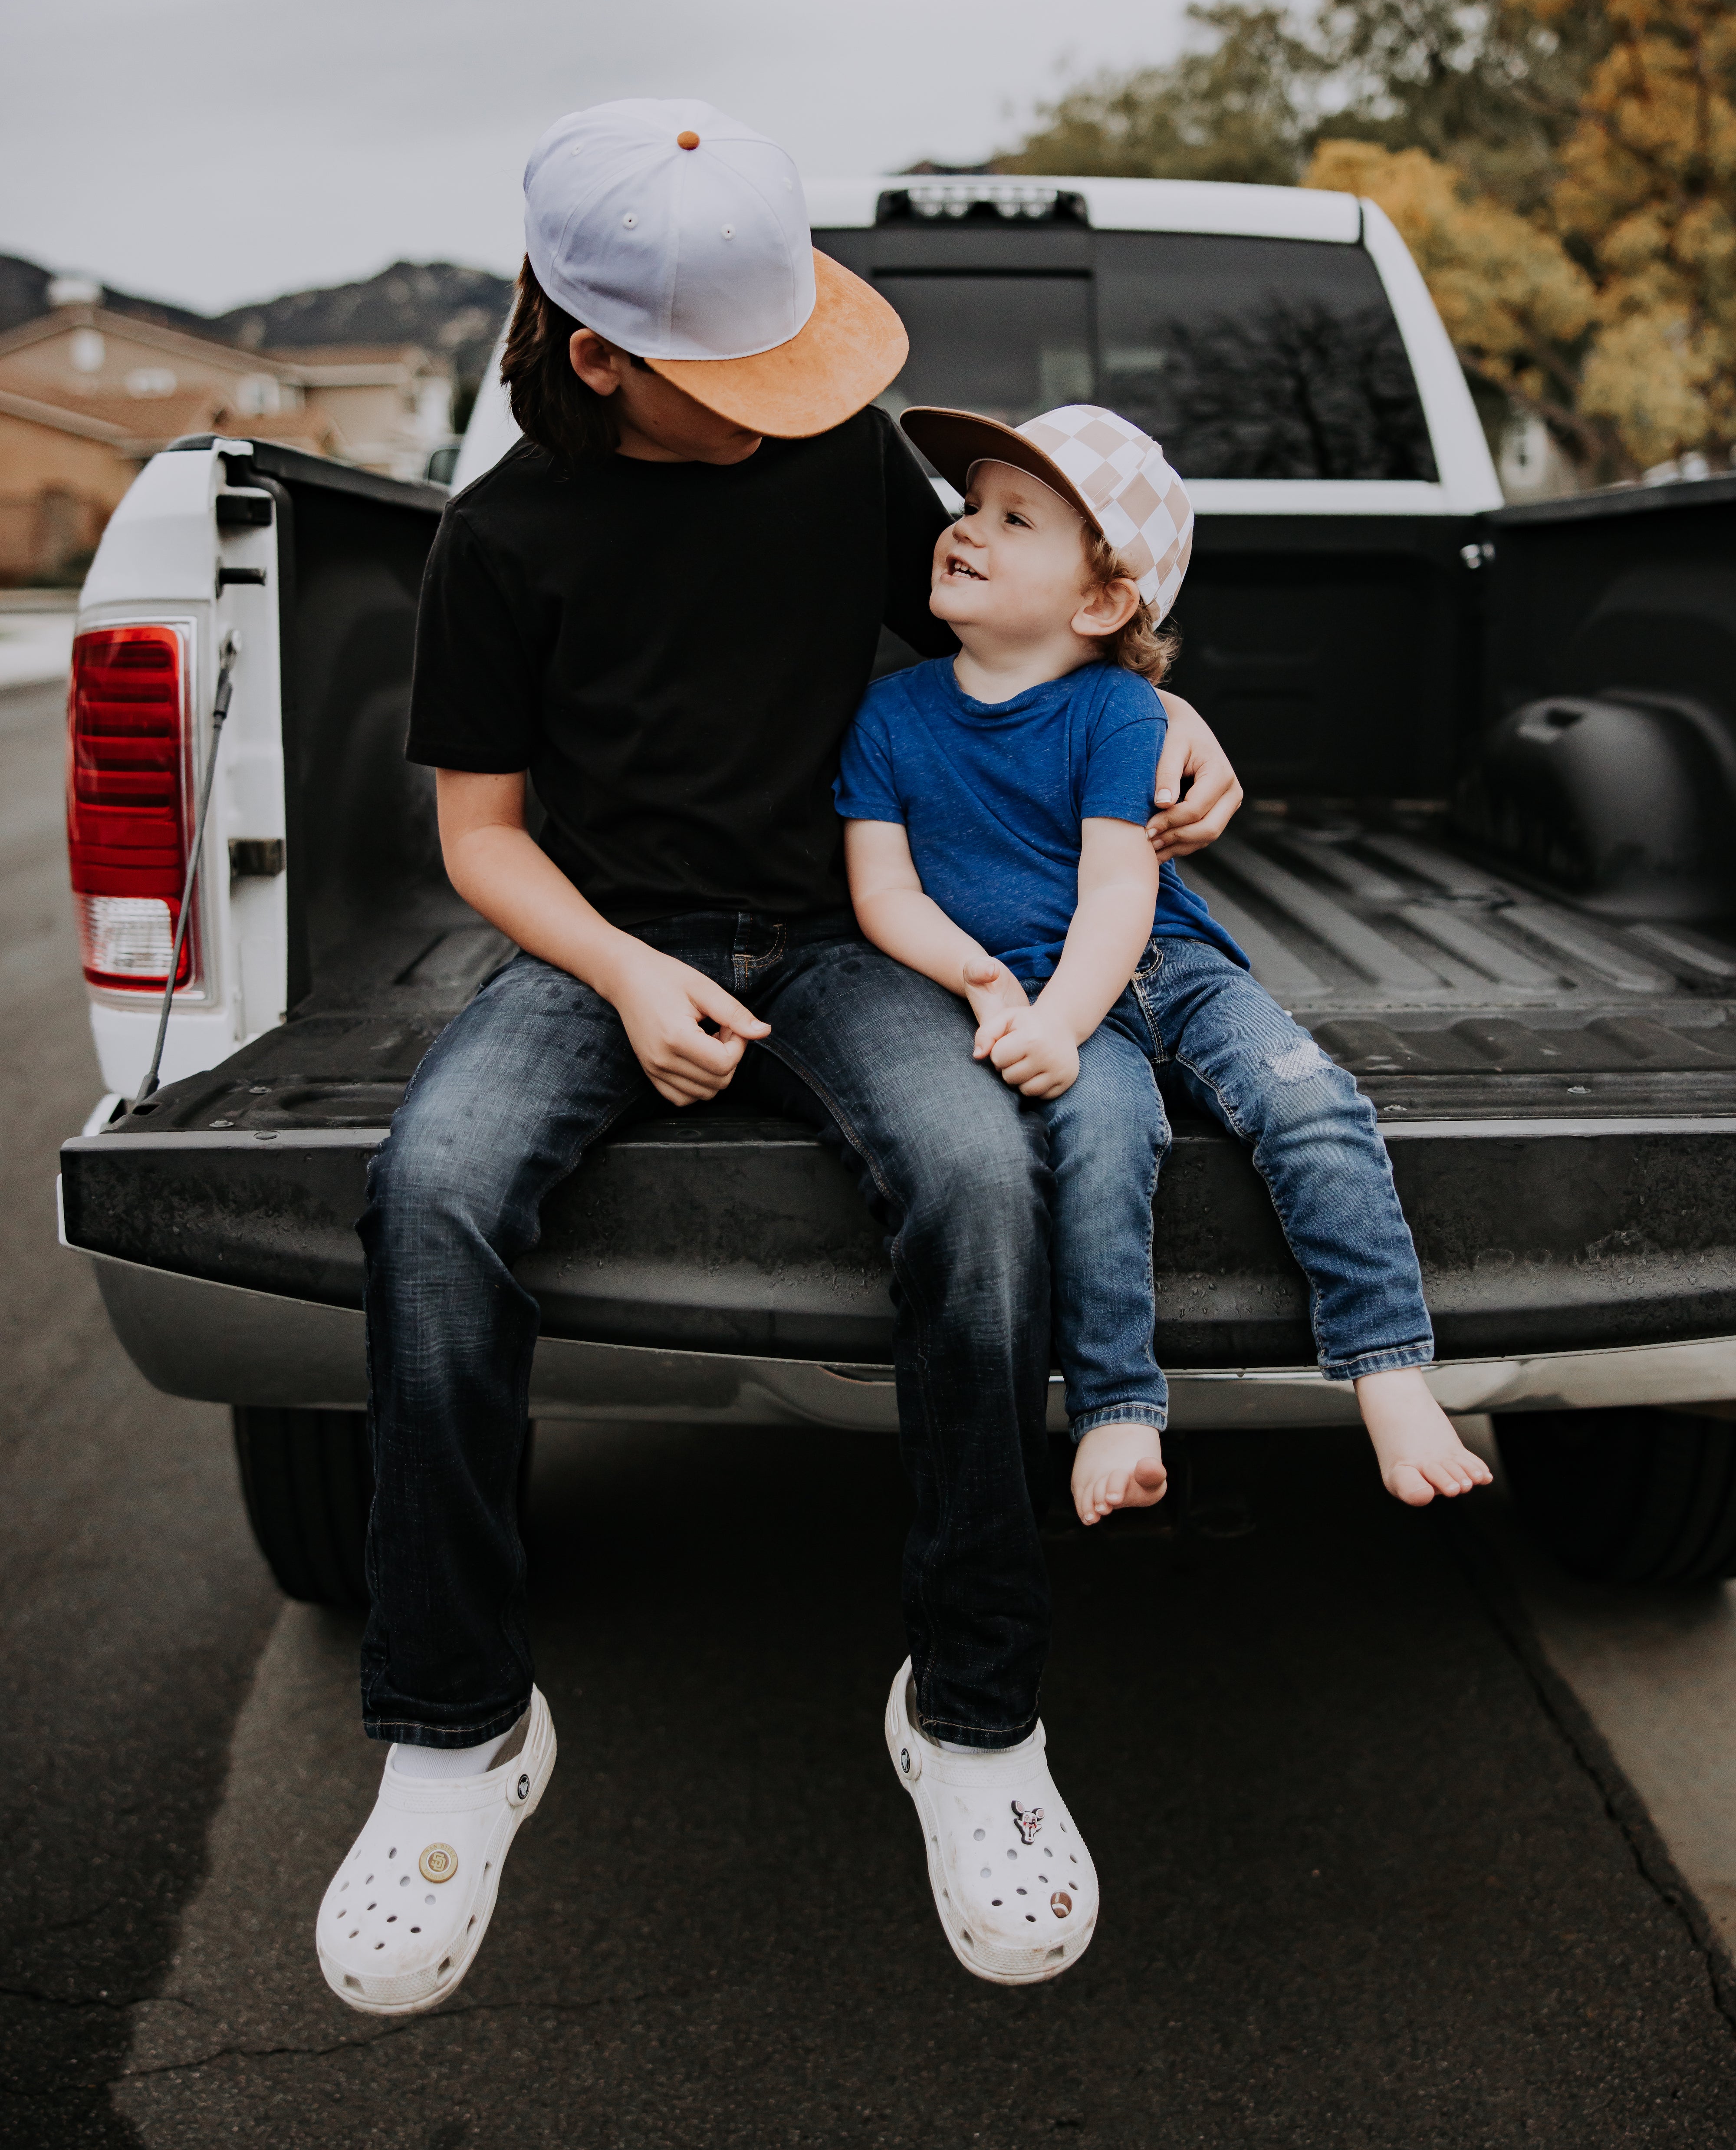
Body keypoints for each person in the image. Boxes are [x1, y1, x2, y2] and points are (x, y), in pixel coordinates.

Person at [315, 99, 1246, 2015]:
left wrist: (1179, 720)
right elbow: (483, 835)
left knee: (987, 1180)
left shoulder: (850, 473)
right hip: (605, 945)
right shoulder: (499, 539)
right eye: (746, 368)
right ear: (599, 358)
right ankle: (457, 1728)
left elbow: (1029, 625)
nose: (797, 394)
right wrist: (628, 974)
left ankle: (973, 1718)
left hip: (855, 934)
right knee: (431, 1190)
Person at [837, 400, 1494, 1543]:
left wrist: (1061, 1016)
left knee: (1310, 1100)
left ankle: (1387, 1367)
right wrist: (990, 986)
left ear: (1100, 600)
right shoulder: (890, 716)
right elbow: (883, 892)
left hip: (1160, 967)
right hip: (1039, 987)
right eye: (970, 505)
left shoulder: (1120, 709)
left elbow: (1119, 891)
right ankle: (1118, 1407)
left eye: (1015, 518)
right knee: (1100, 1141)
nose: (965, 528)